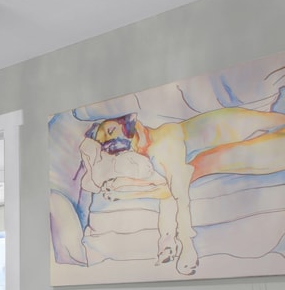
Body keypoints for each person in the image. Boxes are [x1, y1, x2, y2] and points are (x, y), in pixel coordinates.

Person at [80, 107, 285, 275]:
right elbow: (168, 190)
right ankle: (171, 242)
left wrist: (185, 243)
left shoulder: (164, 138)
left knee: (268, 122)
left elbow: (177, 194)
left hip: (227, 126)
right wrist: (124, 191)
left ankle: (182, 243)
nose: (112, 136)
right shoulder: (153, 154)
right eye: (106, 139)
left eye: (110, 130)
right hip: (218, 151)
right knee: (196, 170)